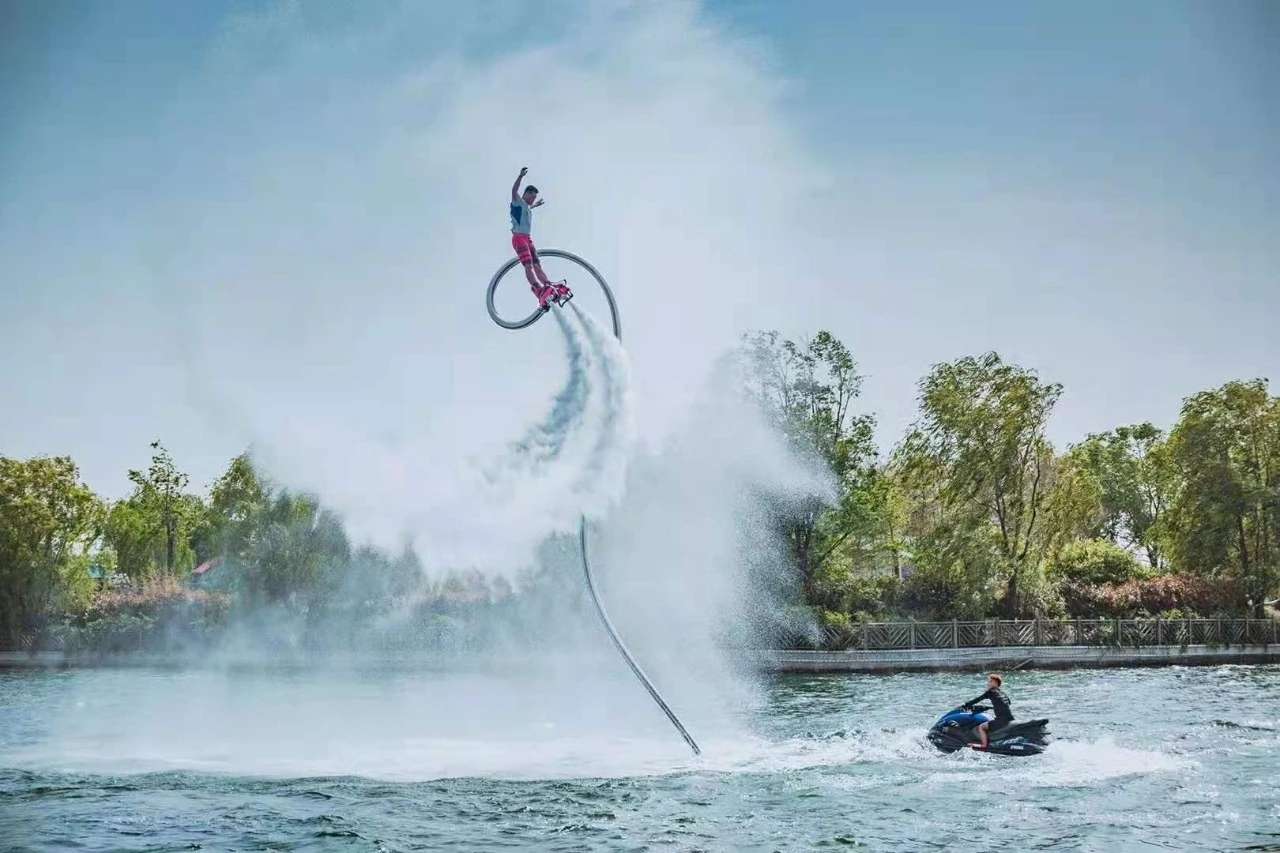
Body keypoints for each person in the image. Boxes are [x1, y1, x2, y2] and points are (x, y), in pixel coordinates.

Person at [509, 167, 568, 311]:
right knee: (528, 265)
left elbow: (527, 209)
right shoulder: (517, 201)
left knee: (537, 265)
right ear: (526, 194)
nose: (533, 200)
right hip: (519, 238)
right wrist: (520, 176)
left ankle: (548, 284)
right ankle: (538, 289)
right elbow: (514, 191)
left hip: (528, 238)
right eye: (532, 197)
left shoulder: (527, 207)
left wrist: (536, 205)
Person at [963, 672, 1013, 750]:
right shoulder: (1002, 693)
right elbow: (1008, 703)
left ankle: (984, 745)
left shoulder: (991, 692)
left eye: (990, 681)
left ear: (995, 683)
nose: (988, 683)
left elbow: (978, 699)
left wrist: (966, 705)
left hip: (1001, 720)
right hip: (1010, 719)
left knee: (981, 727)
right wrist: (992, 707)